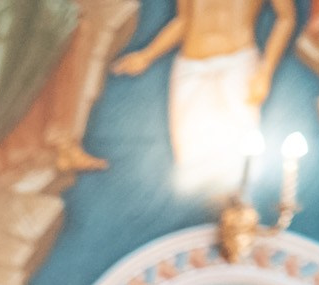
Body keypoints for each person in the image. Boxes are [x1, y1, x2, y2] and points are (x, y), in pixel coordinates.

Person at [112, 0, 296, 199]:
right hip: (191, 68)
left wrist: (265, 71)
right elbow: (184, 20)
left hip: (238, 64)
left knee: (239, 156)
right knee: (192, 157)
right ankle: (215, 213)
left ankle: (238, 209)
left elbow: (286, 17)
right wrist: (147, 55)